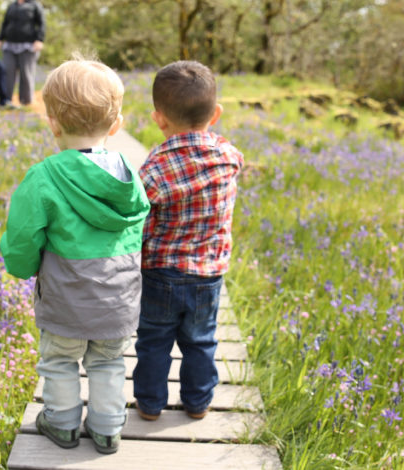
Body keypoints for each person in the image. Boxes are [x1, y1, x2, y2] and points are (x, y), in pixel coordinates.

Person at [0, 55, 150, 454]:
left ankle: (63, 424)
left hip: (66, 300)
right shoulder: (130, 175)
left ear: (52, 122)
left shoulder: (44, 177)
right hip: (118, 301)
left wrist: (20, 266)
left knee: (59, 362)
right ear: (116, 125)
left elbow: (22, 239)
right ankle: (106, 429)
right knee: (108, 362)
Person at [132, 60, 244, 421]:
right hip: (208, 275)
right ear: (216, 114)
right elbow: (233, 156)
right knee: (201, 341)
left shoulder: (153, 168)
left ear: (159, 118)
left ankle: (149, 405)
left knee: (153, 341)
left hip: (160, 273)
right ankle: (197, 403)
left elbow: (139, 217)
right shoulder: (229, 158)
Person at [0, 0, 45, 106]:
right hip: (10, 45)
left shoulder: (35, 5)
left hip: (27, 45)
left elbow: (41, 24)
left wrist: (40, 40)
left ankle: (26, 102)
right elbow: (5, 23)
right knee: (7, 72)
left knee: (26, 74)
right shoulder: (12, 6)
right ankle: (6, 100)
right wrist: (0, 39)